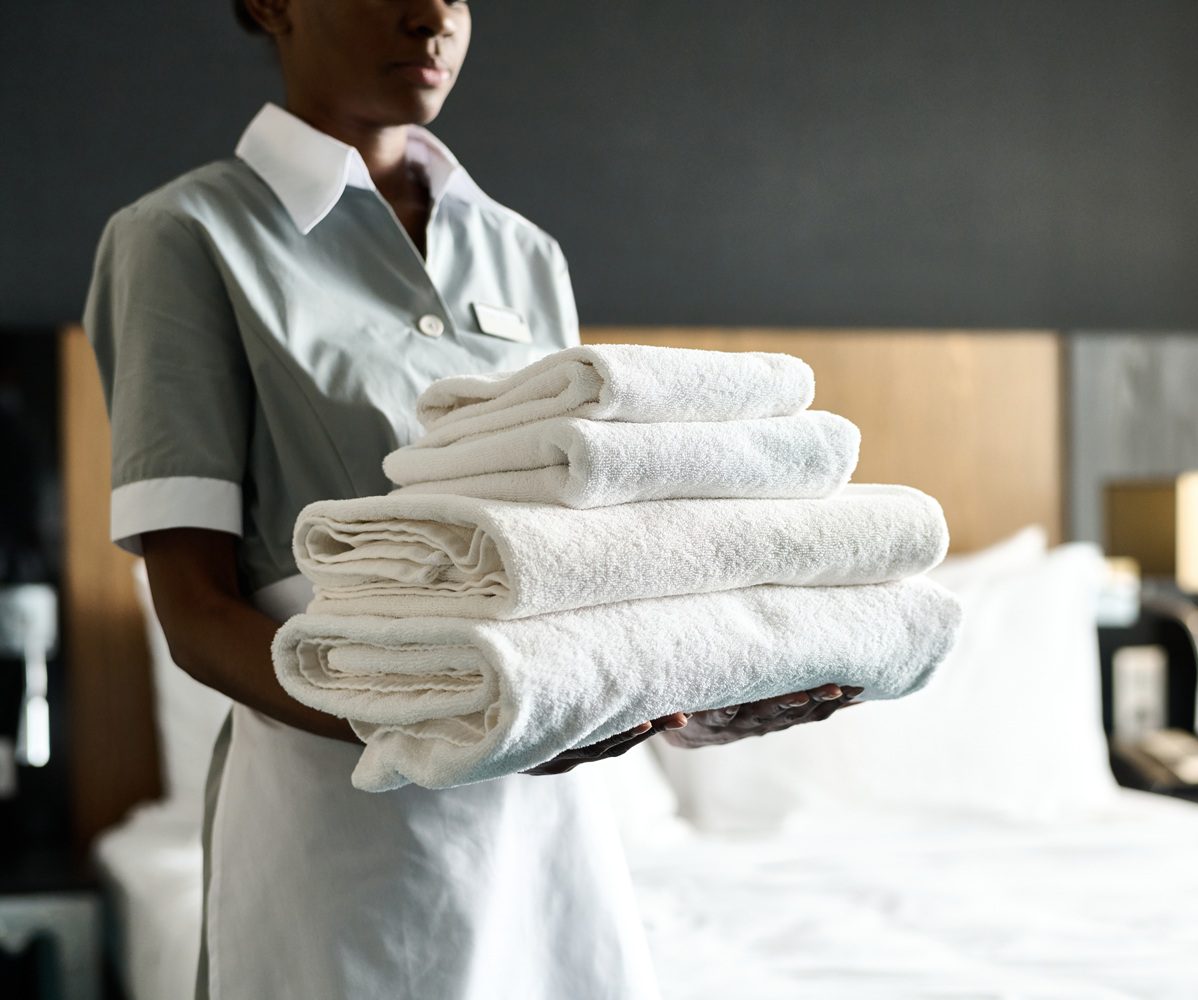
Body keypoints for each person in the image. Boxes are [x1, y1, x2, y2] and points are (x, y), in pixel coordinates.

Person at [82, 2, 864, 996]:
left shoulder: (522, 252)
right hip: (341, 829)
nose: (432, 16)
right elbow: (196, 617)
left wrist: (687, 703)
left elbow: (573, 566)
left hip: (552, 823)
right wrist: (444, 721)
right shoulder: (184, 238)